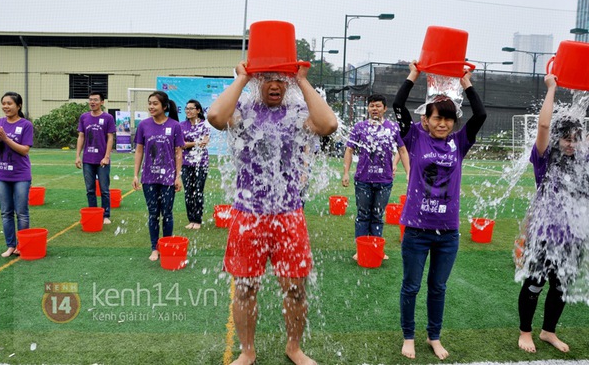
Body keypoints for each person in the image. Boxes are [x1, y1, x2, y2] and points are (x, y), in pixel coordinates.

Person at [207, 61, 337, 365]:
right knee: (245, 288)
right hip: (248, 214)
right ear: (257, 81)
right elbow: (214, 116)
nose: (275, 85)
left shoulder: (297, 114)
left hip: (289, 214)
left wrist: (303, 82)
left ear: (288, 83)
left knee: (295, 289)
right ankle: (247, 351)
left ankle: (294, 348)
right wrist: (242, 79)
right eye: (267, 79)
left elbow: (328, 124)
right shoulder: (243, 111)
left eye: (281, 79)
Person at [393, 61, 486, 360]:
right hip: (417, 231)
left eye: (448, 119)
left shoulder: (459, 143)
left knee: (438, 287)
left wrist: (465, 81)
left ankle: (434, 336)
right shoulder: (415, 137)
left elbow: (481, 114)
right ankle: (408, 336)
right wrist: (414, 75)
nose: (443, 124)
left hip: (448, 233)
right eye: (437, 118)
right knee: (411, 286)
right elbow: (397, 105)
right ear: (427, 119)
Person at [516, 73, 587, 354]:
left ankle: (548, 331)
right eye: (565, 138)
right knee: (535, 284)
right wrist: (552, 89)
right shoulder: (544, 161)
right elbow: (544, 124)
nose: (570, 143)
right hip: (544, 234)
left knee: (561, 288)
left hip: (575, 236)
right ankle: (525, 332)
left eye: (575, 139)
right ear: (556, 139)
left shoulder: (583, 162)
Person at [342, 93, 410, 260]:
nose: (374, 109)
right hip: (363, 180)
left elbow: (402, 150)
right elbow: (349, 150)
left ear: (385, 109)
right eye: (371, 105)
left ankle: (376, 248)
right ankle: (361, 249)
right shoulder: (359, 127)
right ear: (368, 108)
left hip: (384, 180)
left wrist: (409, 173)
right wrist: (346, 173)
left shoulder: (393, 128)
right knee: (363, 214)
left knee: (378, 215)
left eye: (378, 106)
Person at [132, 91, 184, 261]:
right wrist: (135, 175)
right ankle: (155, 248)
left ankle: (166, 246)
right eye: (150, 103)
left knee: (167, 213)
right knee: (153, 213)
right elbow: (139, 150)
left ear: (164, 106)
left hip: (168, 178)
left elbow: (178, 153)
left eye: (155, 103)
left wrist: (178, 176)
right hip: (149, 178)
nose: (151, 107)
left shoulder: (175, 126)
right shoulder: (143, 125)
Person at [0, 92, 34, 257]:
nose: (6, 106)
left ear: (18, 106)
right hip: (1, 175)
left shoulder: (26, 125)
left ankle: (22, 245)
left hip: (21, 175)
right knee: (5, 211)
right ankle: (10, 245)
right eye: (4, 103)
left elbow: (24, 150)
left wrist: (6, 139)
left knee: (21, 211)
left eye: (9, 103)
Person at [75, 91, 116, 225]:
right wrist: (78, 156)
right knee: (90, 189)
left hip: (102, 160)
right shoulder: (84, 117)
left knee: (104, 189)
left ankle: (106, 215)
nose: (92, 102)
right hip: (88, 160)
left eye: (95, 100)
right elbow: (81, 136)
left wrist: (106, 156)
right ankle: (93, 213)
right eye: (90, 100)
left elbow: (110, 137)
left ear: (102, 102)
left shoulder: (108, 117)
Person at [180, 99, 210, 229]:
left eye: (191, 108)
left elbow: (205, 142)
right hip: (186, 163)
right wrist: (196, 143)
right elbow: (181, 145)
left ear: (198, 110)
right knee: (188, 192)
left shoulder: (205, 125)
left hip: (201, 163)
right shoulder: (181, 125)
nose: (188, 111)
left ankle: (197, 220)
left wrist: (190, 144)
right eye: (187, 108)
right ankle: (190, 219)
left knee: (198, 191)